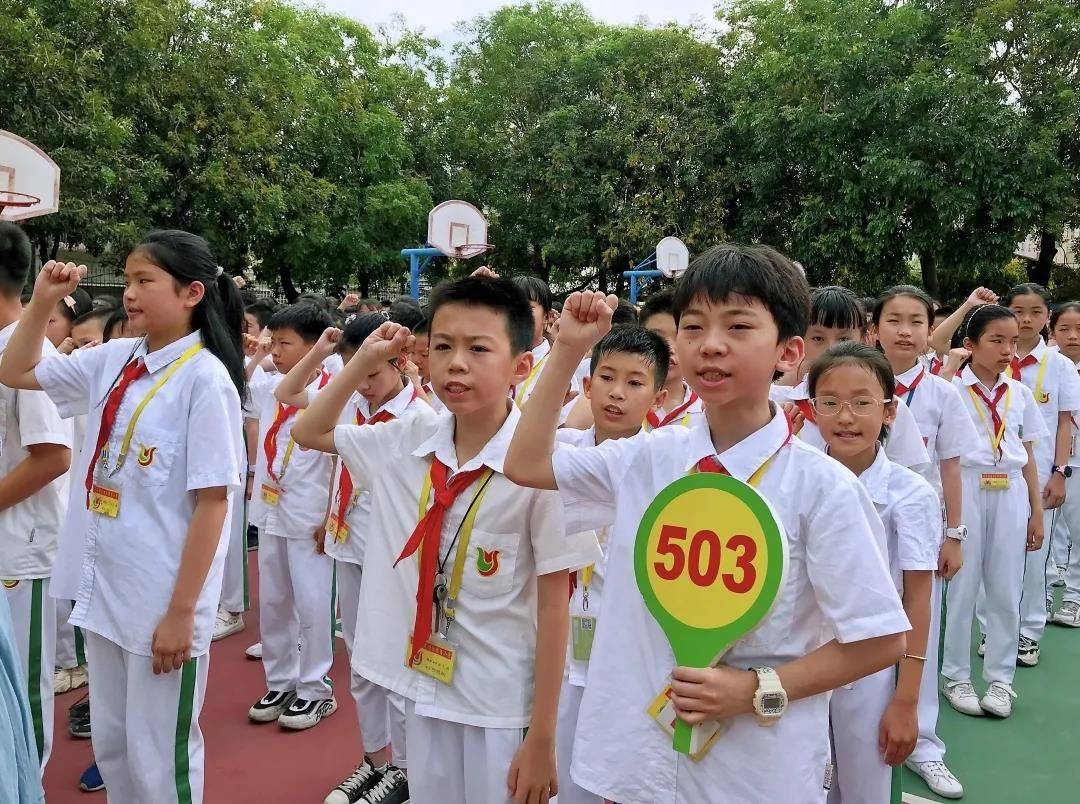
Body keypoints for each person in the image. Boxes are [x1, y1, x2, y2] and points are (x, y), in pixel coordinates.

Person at [505, 244, 908, 803]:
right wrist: (569, 351)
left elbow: (881, 639)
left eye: (738, 326)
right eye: (693, 326)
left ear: (788, 352)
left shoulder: (822, 488)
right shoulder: (647, 457)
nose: (711, 344)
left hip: (753, 771)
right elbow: (525, 464)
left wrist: (755, 689)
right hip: (637, 758)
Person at [292, 275, 600, 804]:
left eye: (479, 349)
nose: (456, 362)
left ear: (520, 367)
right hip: (425, 689)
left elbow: (556, 604)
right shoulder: (408, 438)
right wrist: (363, 362)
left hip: (500, 705)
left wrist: (545, 735)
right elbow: (309, 431)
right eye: (442, 346)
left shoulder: (542, 467)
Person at [0, 230, 246, 803]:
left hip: (160, 598)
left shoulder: (205, 380)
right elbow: (14, 370)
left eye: (144, 281)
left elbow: (213, 502)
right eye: (128, 280)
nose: (130, 294)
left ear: (191, 293)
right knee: (114, 748)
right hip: (105, 590)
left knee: (162, 759)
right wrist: (40, 303)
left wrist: (183, 613)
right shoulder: (115, 360)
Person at [277, 313, 427, 804]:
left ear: (401, 362)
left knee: (398, 667)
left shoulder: (419, 418)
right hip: (351, 546)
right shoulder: (352, 407)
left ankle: (405, 770)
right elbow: (298, 410)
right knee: (361, 664)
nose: (363, 385)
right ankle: (374, 759)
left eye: (373, 373)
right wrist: (329, 515)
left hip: (397, 559)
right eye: (355, 372)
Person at [809, 342, 937, 803]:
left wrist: (906, 700)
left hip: (870, 667)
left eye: (862, 402)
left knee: (865, 787)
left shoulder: (910, 493)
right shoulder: (794, 479)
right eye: (830, 402)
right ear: (811, 409)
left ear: (889, 412)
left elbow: (918, 599)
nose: (846, 416)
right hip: (797, 657)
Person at [869, 284, 978, 799]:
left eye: (917, 320)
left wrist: (953, 534)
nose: (906, 331)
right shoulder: (855, 378)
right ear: (875, 328)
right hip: (859, 524)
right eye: (895, 320)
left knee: (919, 634)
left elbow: (951, 465)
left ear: (929, 329)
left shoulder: (941, 391)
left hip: (918, 528)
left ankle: (923, 745)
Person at [554, 325, 669, 804]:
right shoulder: (561, 454)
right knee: (562, 758)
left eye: (635, 383)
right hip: (563, 632)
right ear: (586, 385)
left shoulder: (666, 465)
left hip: (630, 642)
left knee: (626, 765)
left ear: (658, 395)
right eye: (606, 377)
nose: (617, 393)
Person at [940, 305, 1047, 720]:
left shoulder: (1019, 393)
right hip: (967, 483)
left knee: (1005, 586)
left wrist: (1036, 510)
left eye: (1012, 341)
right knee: (963, 585)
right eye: (996, 341)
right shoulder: (951, 389)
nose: (1007, 349)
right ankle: (956, 676)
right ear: (970, 345)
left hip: (1010, 488)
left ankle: (1001, 681)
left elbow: (1030, 452)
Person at [0, 222, 74, 774]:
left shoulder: (30, 354)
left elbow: (52, 457)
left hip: (20, 549)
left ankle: (32, 785)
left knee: (25, 683)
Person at [246, 303, 338, 730]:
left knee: (312, 601)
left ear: (316, 346)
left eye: (285, 343)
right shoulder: (270, 383)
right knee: (274, 599)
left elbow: (343, 461)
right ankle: (280, 679)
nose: (276, 351)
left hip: (309, 512)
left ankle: (315, 688)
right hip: (271, 509)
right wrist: (257, 352)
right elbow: (243, 387)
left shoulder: (334, 389)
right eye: (274, 341)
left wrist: (331, 514)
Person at [773, 285, 932, 477]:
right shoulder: (781, 408)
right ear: (801, 342)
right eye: (817, 338)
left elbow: (912, 474)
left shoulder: (887, 405)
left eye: (843, 339)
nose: (830, 349)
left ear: (865, 339)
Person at [1000, 284, 1080, 666]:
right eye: (1018, 310)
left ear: (1046, 316)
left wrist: (1060, 472)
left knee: (1035, 559)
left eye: (1035, 311)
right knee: (995, 559)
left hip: (1041, 476)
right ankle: (995, 631)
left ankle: (1028, 633)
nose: (1026, 319)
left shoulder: (1059, 365)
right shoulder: (990, 358)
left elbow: (1065, 423)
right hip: (996, 477)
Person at [1048, 302, 1080, 626]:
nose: (1072, 336)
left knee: (1079, 532)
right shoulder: (1043, 367)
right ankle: (1040, 597)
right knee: (1045, 532)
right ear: (1052, 330)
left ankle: (1074, 599)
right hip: (1049, 461)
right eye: (1065, 329)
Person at [638, 289, 703, 429]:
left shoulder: (707, 411)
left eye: (678, 336)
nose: (668, 348)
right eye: (657, 337)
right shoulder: (616, 402)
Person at [511, 274, 556, 406]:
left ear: (546, 317)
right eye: (511, 308)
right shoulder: (495, 359)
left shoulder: (555, 366)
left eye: (527, 308)